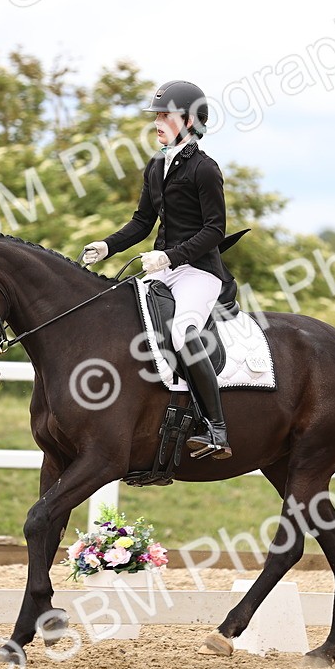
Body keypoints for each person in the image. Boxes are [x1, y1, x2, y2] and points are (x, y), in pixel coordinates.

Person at [81, 80, 233, 460]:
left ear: (190, 120)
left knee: (182, 331)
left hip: (199, 272)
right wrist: (107, 245)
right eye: (157, 115)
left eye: (165, 115)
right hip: (164, 269)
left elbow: (216, 230)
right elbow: (141, 223)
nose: (158, 121)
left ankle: (216, 429)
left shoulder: (204, 169)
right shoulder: (155, 166)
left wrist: (171, 257)